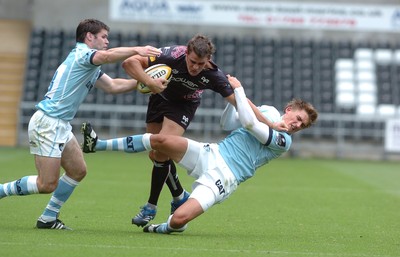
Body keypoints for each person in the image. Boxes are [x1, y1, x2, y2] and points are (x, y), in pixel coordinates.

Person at [81, 34, 288, 227]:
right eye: (192, 62)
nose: (196, 67)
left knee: (161, 148)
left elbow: (241, 102)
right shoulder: (172, 55)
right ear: (186, 53)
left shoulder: (213, 75)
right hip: (159, 96)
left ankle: (150, 206)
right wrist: (149, 82)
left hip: (184, 106)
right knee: (156, 154)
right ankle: (179, 195)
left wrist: (270, 125)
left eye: (201, 63)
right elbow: (130, 63)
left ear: (208, 59)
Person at [81, 75, 318, 234]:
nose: (297, 125)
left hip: (225, 177)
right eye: (298, 118)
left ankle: (164, 225)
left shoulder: (283, 140)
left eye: (302, 125)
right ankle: (98, 145)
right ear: (289, 110)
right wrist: (232, 100)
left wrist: (237, 89)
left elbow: (248, 123)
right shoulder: (267, 111)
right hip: (212, 153)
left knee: (179, 220)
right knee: (161, 143)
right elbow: (227, 123)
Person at [0, 19, 165, 230]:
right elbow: (106, 56)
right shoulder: (82, 55)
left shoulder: (88, 62)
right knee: (46, 184)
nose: (107, 41)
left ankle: (48, 218)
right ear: (89, 37)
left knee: (78, 170)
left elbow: (113, 85)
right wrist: (137, 50)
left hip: (59, 124)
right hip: (48, 123)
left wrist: (146, 81)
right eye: (103, 37)